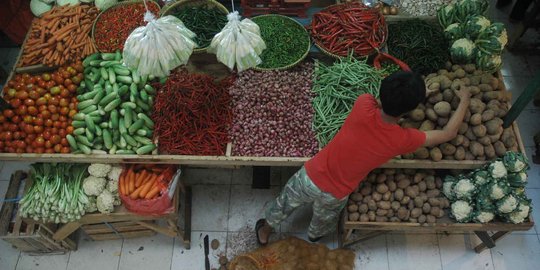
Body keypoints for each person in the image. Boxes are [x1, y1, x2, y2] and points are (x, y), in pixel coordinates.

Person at [255, 71, 472, 245]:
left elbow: (381, 101)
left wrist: (409, 96)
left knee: (284, 204)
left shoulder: (363, 105)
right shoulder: (403, 139)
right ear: (410, 110)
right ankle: (314, 236)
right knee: (324, 218)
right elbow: (448, 134)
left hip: (312, 175)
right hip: (338, 192)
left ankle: (265, 231)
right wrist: (464, 101)